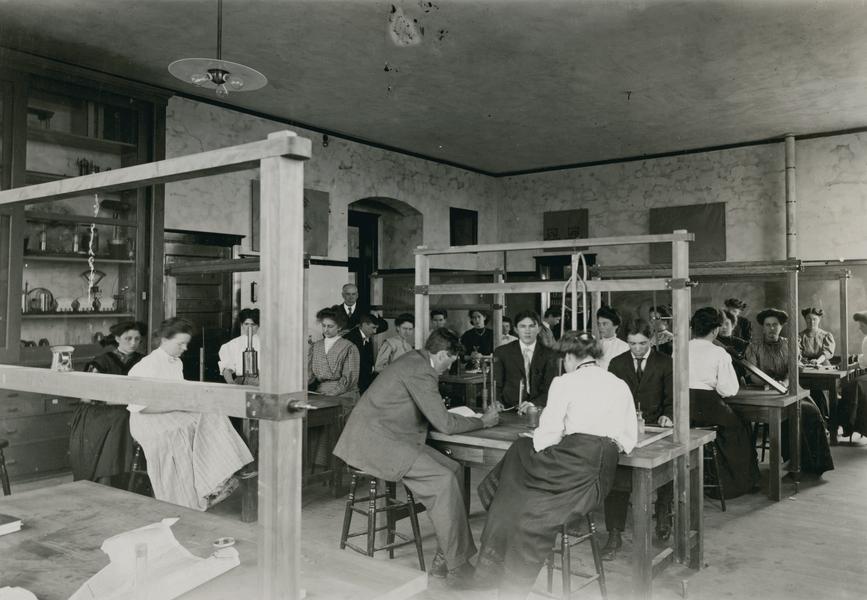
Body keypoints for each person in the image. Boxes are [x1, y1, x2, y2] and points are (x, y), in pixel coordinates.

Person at [333, 328, 499, 587]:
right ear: (441, 355)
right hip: (377, 443)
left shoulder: (415, 360)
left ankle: (446, 556)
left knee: (454, 469)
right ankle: (457, 568)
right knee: (443, 480)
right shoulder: (421, 370)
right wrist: (483, 421)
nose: (448, 368)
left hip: (391, 435)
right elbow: (445, 424)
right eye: (450, 361)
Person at [474, 331, 636, 597]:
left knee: (520, 449)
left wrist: (539, 439)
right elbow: (628, 439)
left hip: (572, 465)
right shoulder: (619, 383)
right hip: (599, 475)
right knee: (521, 460)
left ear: (570, 357)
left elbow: (547, 437)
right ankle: (505, 504)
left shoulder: (564, 382)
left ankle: (499, 503)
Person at [127, 317, 254, 511]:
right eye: (180, 344)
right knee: (185, 431)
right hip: (148, 419)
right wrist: (178, 405)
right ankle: (197, 494)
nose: (185, 348)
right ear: (165, 339)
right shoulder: (146, 365)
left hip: (170, 412)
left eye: (186, 344)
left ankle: (218, 479)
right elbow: (140, 407)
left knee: (213, 415)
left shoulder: (175, 362)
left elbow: (180, 392)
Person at [603, 320, 673, 558]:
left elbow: (672, 397)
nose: (637, 349)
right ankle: (614, 533)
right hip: (625, 428)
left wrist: (668, 415)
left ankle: (663, 513)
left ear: (651, 340)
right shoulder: (617, 363)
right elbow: (610, 399)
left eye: (642, 343)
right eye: (632, 344)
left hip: (657, 426)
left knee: (666, 469)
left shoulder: (665, 362)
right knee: (617, 474)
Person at [745, 308, 834, 476]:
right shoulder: (754, 346)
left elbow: (793, 370)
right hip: (765, 392)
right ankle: (791, 460)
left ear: (781, 327)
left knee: (811, 411)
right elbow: (752, 374)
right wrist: (771, 384)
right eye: (768, 325)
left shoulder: (789, 344)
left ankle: (813, 464)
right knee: (785, 416)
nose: (772, 328)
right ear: (763, 327)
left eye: (775, 325)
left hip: (789, 388)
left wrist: (785, 382)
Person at [688, 307, 760, 499]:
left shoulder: (679, 350)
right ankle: (737, 483)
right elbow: (728, 390)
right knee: (740, 428)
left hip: (684, 409)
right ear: (715, 330)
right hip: (708, 406)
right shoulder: (719, 353)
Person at [70, 321, 146, 486]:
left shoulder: (143, 361)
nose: (133, 343)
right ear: (117, 339)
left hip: (130, 408)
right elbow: (87, 397)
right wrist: (124, 401)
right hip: (98, 411)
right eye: (128, 339)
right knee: (121, 418)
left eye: (137, 339)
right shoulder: (101, 361)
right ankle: (107, 479)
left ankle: (131, 481)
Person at [492, 311, 558, 410]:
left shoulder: (549, 354)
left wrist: (533, 404)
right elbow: (495, 384)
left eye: (531, 326)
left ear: (539, 329)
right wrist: (497, 402)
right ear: (516, 329)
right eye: (522, 326)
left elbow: (552, 387)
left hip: (538, 409)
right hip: (508, 409)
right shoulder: (502, 352)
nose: (527, 331)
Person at [308, 307, 360, 399]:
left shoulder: (349, 347)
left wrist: (332, 393)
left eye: (330, 326)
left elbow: (350, 378)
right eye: (323, 326)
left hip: (344, 394)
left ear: (339, 327)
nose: (325, 330)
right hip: (321, 393)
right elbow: (309, 376)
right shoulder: (315, 346)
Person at [798, 307, 836, 416]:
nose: (811, 322)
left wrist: (818, 361)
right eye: (808, 319)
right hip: (805, 365)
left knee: (821, 391)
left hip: (822, 364)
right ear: (805, 319)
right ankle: (808, 419)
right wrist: (804, 362)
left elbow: (827, 352)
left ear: (819, 319)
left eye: (814, 319)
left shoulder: (826, 335)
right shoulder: (800, 336)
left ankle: (824, 418)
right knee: (804, 391)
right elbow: (798, 353)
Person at [218, 308, 260, 384]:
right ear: (242, 325)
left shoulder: (266, 344)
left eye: (253, 324)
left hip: (260, 382)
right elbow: (226, 368)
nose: (249, 327)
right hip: (240, 382)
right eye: (246, 324)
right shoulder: (232, 344)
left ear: (258, 326)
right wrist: (231, 383)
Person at [343, 312, 381, 393]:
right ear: (364, 325)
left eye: (376, 328)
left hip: (364, 379)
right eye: (373, 328)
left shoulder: (366, 336)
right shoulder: (350, 339)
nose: (375, 331)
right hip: (354, 383)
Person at [716, 309, 749, 381]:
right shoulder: (713, 342)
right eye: (721, 324)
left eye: (727, 324)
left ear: (733, 326)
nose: (724, 327)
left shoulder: (742, 343)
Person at [596, 306, 629, 370]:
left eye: (604, 324)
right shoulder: (594, 345)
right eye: (599, 324)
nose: (600, 327)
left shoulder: (624, 347)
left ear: (616, 325)